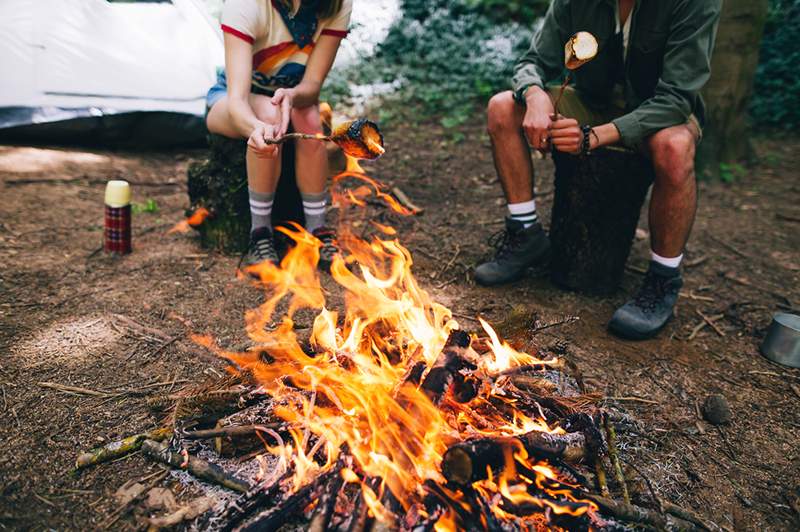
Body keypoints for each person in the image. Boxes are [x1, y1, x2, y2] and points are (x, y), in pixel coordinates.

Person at [475, 0, 722, 340]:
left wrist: (592, 137)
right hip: (593, 102)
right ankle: (524, 234)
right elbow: (533, 62)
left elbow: (677, 98)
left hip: (659, 114)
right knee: (503, 107)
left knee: (675, 148)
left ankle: (662, 280)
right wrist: (534, 95)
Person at [206, 0, 352, 271]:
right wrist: (255, 128)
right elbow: (237, 101)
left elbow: (311, 86)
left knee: (310, 118)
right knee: (270, 118)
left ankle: (317, 229)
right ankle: (260, 234)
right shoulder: (246, 5)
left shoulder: (336, 4)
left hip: (291, 100)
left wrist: (292, 95)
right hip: (230, 103)